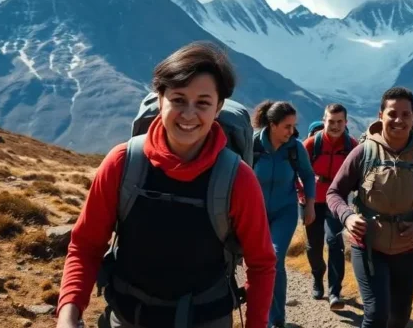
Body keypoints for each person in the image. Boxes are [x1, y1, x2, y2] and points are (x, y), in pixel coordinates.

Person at [55, 42, 277, 328]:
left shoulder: (238, 180)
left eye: (203, 103)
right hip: (127, 319)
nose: (188, 114)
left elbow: (261, 264)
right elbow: (85, 246)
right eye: (178, 99)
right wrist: (68, 315)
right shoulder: (122, 163)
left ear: (218, 107)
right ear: (160, 99)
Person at [327, 86, 413, 328]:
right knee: (376, 315)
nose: (399, 120)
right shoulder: (362, 152)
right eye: (392, 113)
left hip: (409, 249)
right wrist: (348, 217)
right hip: (369, 247)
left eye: (406, 114)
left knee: (399, 317)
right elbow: (334, 192)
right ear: (380, 115)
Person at [251, 100, 316, 328]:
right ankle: (269, 316)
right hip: (255, 214)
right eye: (287, 126)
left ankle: (273, 320)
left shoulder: (295, 148)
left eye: (293, 126)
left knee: (274, 258)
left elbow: (307, 176)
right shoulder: (253, 146)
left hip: (285, 211)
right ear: (272, 124)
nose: (292, 131)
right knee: (259, 263)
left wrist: (310, 205)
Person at [296, 103, 356, 309]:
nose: (336, 126)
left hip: (336, 201)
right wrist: (304, 198)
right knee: (314, 246)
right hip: (311, 200)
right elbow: (296, 173)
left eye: (340, 122)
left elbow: (362, 174)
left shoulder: (352, 146)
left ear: (346, 122)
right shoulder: (311, 144)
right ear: (324, 121)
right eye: (331, 121)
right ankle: (317, 277)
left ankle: (334, 292)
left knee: (335, 243)